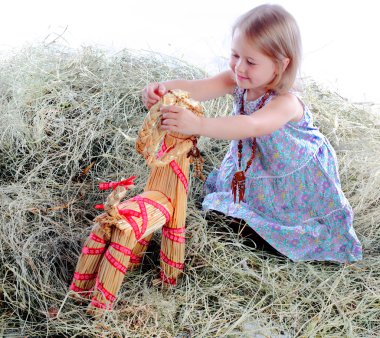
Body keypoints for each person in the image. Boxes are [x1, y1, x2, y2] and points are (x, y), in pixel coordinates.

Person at [141, 4, 362, 263]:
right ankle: (247, 217)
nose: (239, 68)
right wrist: (162, 89)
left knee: (282, 231)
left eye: (251, 61)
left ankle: (275, 233)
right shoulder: (237, 79)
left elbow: (251, 125)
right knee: (220, 208)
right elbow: (196, 87)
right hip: (257, 167)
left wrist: (198, 125)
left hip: (292, 181)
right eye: (235, 55)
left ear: (280, 65)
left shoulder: (286, 102)